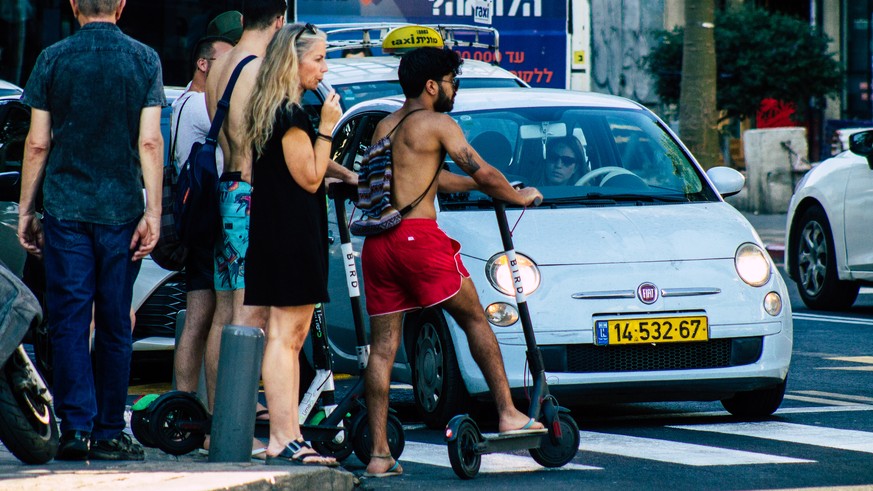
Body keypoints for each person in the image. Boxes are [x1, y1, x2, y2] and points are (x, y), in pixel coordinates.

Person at [360, 47, 544, 478]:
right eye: (451, 81)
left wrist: (480, 188)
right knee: (475, 319)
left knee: (384, 349)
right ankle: (507, 412)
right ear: (431, 85)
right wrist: (516, 195)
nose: (454, 89)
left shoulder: (385, 126)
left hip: (380, 245)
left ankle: (380, 454)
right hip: (418, 240)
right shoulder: (439, 123)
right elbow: (479, 168)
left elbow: (431, 175)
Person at [18, 0, 164, 461]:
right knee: (117, 323)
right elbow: (149, 141)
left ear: (73, 6)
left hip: (65, 208)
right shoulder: (144, 59)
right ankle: (107, 432)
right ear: (121, 6)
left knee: (69, 321)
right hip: (120, 209)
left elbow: (39, 142)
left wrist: (27, 209)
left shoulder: (52, 58)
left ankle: (74, 429)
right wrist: (154, 212)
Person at [243, 22, 355, 467]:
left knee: (289, 336)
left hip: (280, 232)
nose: (323, 68)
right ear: (295, 61)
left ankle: (287, 437)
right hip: (289, 235)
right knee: (286, 338)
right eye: (319, 59)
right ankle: (284, 437)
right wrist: (327, 126)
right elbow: (309, 177)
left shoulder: (275, 109)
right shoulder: (289, 114)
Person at [203, 0, 286, 453]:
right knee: (245, 311)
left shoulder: (222, 63)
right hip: (249, 195)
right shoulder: (255, 67)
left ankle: (221, 422)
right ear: (278, 20)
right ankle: (234, 431)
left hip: (225, 190)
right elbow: (264, 142)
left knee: (223, 311)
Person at [170, 35, 237, 417]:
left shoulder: (180, 101)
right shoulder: (201, 104)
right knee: (210, 318)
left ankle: (184, 406)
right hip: (211, 218)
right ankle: (211, 413)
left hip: (194, 218)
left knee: (197, 318)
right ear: (203, 64)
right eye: (225, 61)